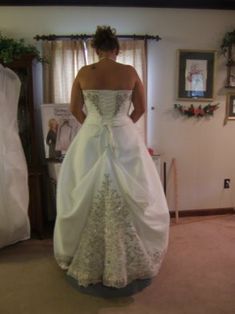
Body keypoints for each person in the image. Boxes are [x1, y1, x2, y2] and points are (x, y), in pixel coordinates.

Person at [53, 26, 170, 297]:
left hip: (91, 135)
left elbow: (73, 108)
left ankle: (84, 255)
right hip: (122, 133)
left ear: (96, 49)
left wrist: (92, 123)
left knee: (83, 191)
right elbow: (140, 108)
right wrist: (122, 124)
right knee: (133, 191)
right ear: (116, 49)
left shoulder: (84, 73)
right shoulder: (129, 72)